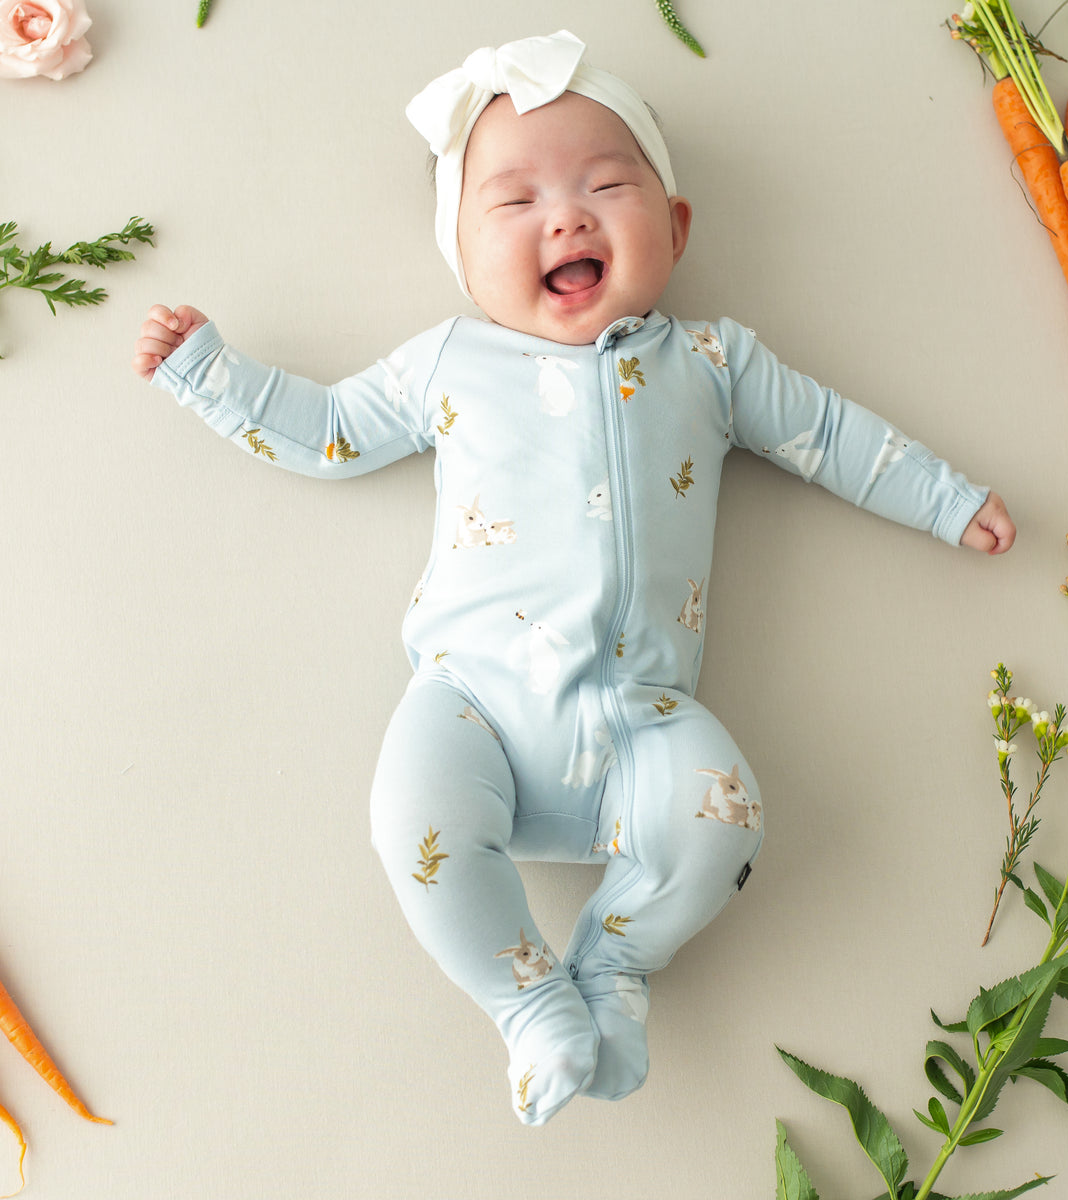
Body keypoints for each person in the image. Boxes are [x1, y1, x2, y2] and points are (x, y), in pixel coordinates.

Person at [131, 30, 1015, 1127]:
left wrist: (944, 498)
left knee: (725, 819)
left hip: (646, 722)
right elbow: (330, 432)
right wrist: (208, 373)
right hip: (473, 705)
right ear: (461, 254)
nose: (566, 217)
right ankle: (527, 1001)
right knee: (411, 824)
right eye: (513, 205)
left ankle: (612, 966)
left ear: (676, 229)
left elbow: (829, 434)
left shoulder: (710, 363)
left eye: (607, 186)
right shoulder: (450, 362)